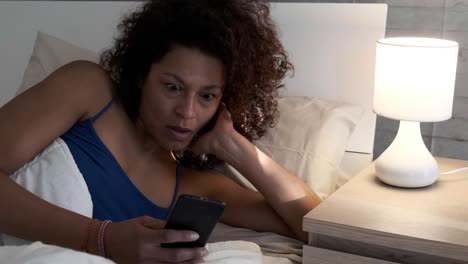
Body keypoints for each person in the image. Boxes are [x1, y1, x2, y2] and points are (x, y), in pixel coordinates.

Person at [0, 0, 321, 263]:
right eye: (173, 87)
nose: (187, 112)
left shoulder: (197, 187)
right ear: (141, 74)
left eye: (207, 96)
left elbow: (315, 227)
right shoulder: (88, 90)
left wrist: (233, 144)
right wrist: (102, 238)